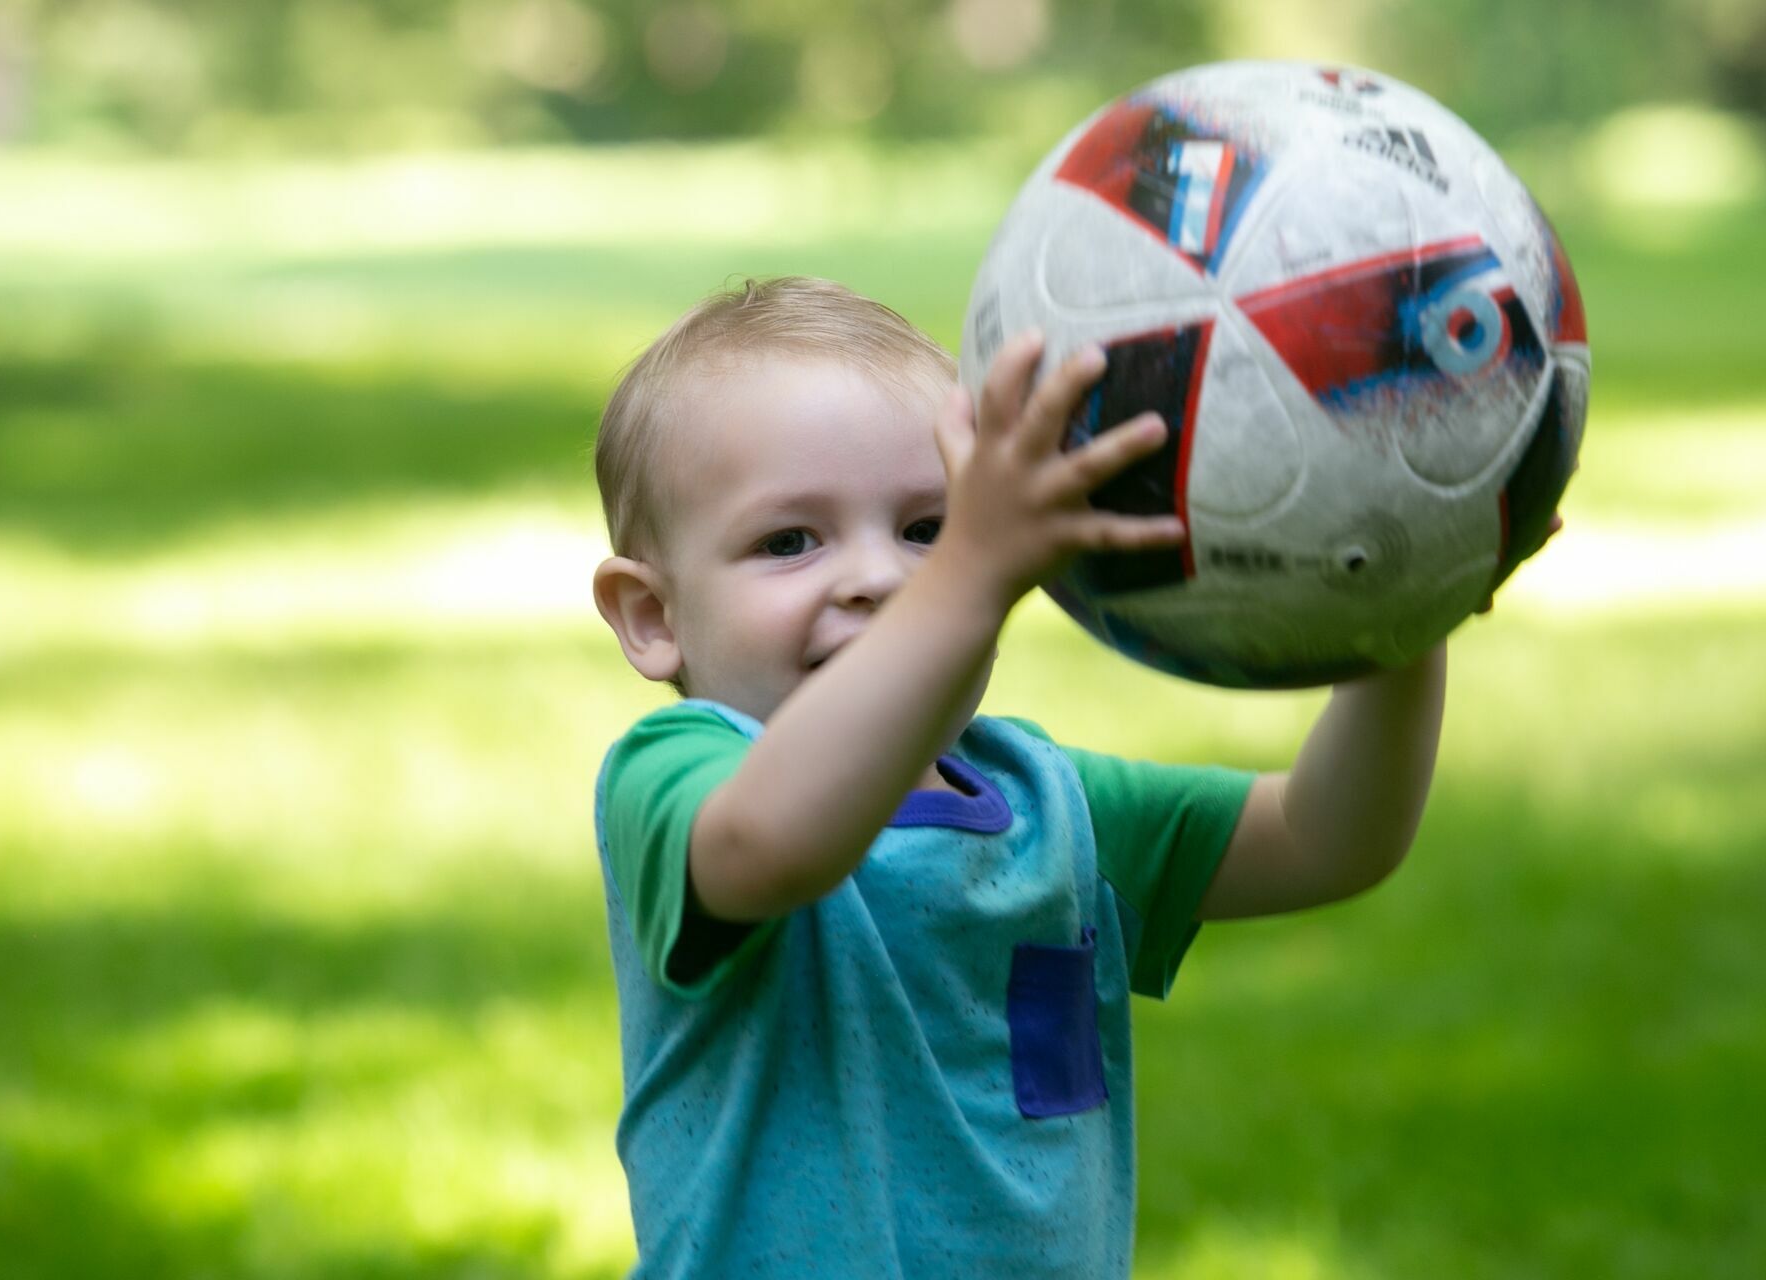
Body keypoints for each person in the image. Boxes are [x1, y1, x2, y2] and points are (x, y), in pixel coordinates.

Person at [589, 276, 1447, 1278]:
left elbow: (1325, 837)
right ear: (653, 616)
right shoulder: (679, 775)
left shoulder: (1051, 804)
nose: (883, 577)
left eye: (928, 528)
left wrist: (1402, 619)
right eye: (789, 540)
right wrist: (967, 576)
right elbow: (772, 849)